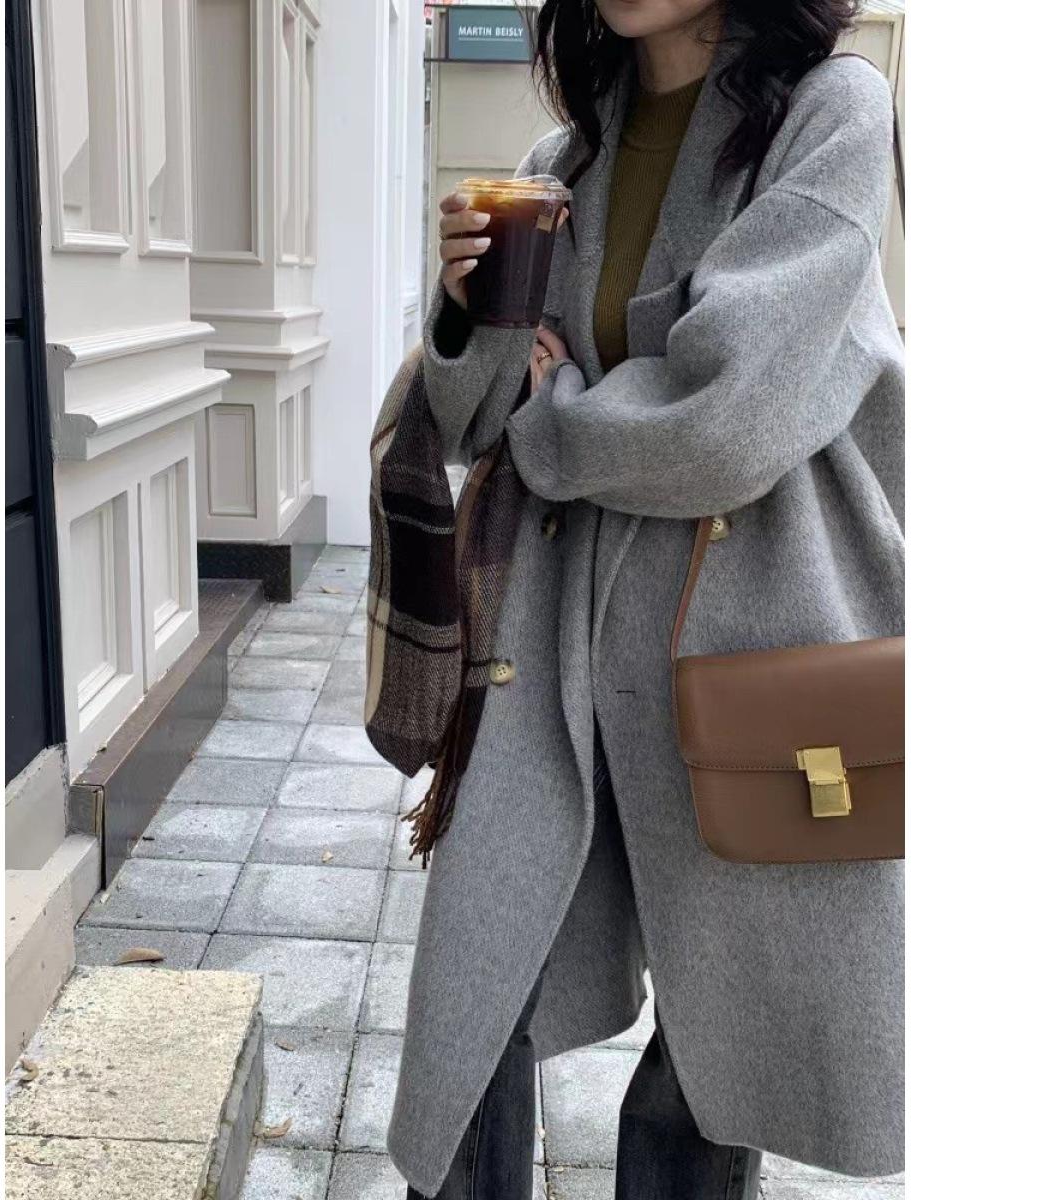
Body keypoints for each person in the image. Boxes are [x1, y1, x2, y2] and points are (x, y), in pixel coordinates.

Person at [390, 2, 905, 1197]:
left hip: (755, 637)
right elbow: (476, 425)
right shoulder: (561, 161)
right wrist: (468, 311)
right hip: (554, 647)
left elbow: (728, 420)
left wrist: (560, 417)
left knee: (715, 1052)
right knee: (475, 995)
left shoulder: (831, 111)